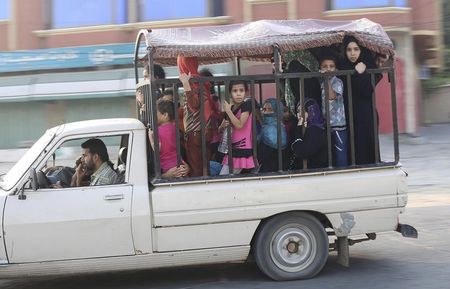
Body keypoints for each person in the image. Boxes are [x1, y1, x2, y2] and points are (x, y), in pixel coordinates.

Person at [339, 36, 378, 165]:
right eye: (349, 50)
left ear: (361, 50)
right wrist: (355, 73)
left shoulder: (368, 66)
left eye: (356, 49)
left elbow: (367, 91)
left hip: (366, 115)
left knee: (367, 147)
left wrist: (361, 74)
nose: (352, 53)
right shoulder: (341, 67)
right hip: (349, 115)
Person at [178, 55, 214, 177]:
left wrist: (185, 84)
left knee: (196, 168)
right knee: (205, 166)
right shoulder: (200, 81)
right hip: (205, 130)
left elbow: (194, 104)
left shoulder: (192, 81)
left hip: (195, 131)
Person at [219, 80, 255, 175]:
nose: (238, 94)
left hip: (242, 149)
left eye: (241, 90)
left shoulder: (247, 104)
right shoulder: (230, 108)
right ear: (230, 93)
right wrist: (222, 126)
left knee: (224, 178)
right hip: (231, 150)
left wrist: (228, 111)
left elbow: (239, 125)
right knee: (228, 180)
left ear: (246, 92)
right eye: (235, 91)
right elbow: (220, 129)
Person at [148, 100, 190, 178]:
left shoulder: (158, 131)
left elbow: (157, 149)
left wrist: (150, 137)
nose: (154, 116)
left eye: (156, 113)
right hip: (180, 164)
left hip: (168, 168)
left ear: (165, 115)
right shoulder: (175, 128)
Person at [319, 55, 348, 167]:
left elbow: (331, 96)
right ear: (320, 69)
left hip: (338, 125)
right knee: (330, 152)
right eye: (325, 66)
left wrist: (327, 79)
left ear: (336, 69)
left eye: (331, 66)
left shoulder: (337, 81)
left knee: (340, 151)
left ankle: (342, 171)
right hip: (327, 124)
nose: (328, 69)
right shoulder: (322, 82)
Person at [290, 98, 328, 169]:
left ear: (311, 111)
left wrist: (299, 129)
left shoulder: (316, 130)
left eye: (303, 111)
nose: (299, 114)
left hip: (317, 173)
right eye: (298, 111)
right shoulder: (308, 128)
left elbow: (302, 151)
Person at [257, 98, 287, 172]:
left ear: (277, 111)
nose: (266, 112)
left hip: (272, 167)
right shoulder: (266, 127)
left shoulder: (274, 128)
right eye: (264, 109)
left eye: (270, 109)